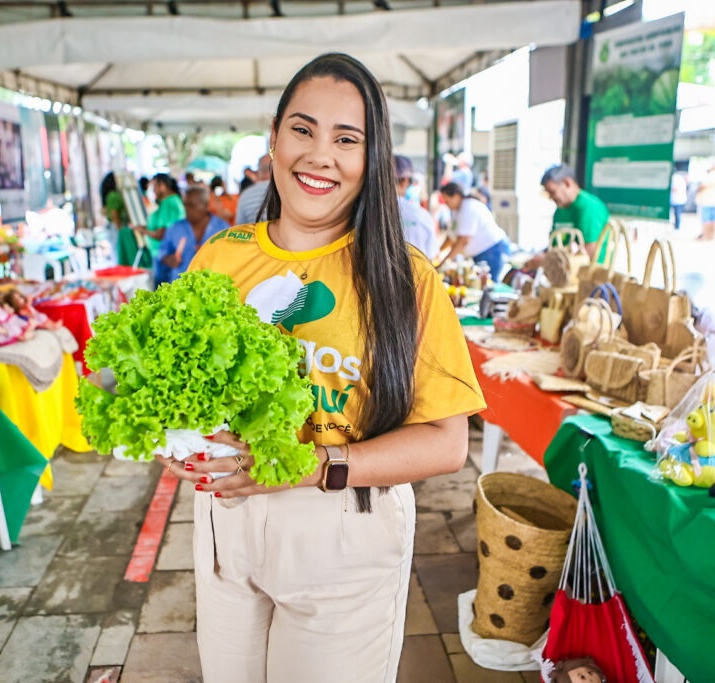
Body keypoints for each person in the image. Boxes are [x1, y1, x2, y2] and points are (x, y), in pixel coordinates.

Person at [167, 52, 485, 683]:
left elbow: (448, 444)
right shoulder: (219, 256)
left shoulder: (405, 279)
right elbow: (182, 387)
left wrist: (310, 467)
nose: (320, 155)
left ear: (371, 159)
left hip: (341, 520)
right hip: (226, 523)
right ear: (275, 139)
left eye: (346, 139)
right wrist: (175, 436)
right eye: (302, 130)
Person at [155, 185, 228, 285]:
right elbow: (161, 252)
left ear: (206, 205)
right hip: (179, 287)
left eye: (191, 205)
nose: (186, 209)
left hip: (212, 285)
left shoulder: (222, 228)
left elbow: (230, 257)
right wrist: (168, 259)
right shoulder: (175, 228)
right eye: (185, 204)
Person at [439, 182, 512, 281]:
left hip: (492, 251)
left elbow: (464, 240)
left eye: (447, 202)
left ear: (456, 196)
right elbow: (452, 237)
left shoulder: (468, 207)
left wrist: (445, 262)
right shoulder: (457, 210)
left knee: (488, 286)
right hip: (483, 253)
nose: (447, 205)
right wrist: (438, 253)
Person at [540, 164, 610, 263]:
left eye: (553, 192)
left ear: (567, 183)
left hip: (589, 275)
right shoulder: (560, 210)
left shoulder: (588, 207)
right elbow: (554, 246)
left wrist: (546, 260)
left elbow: (590, 251)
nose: (551, 198)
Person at [131, 173, 185, 262]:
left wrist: (142, 230)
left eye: (154, 187)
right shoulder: (169, 202)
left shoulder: (169, 203)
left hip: (166, 255)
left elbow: (161, 234)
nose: (153, 191)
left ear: (162, 186)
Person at [393, 155, 438, 259]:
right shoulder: (421, 215)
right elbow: (431, 253)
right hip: (416, 273)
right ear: (404, 181)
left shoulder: (363, 214)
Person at [234, 152, 272, 225]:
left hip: (255, 235)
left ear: (258, 172)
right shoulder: (284, 191)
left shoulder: (245, 195)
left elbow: (239, 227)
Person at [695, 161, 715, 241]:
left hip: (706, 200)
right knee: (712, 219)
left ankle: (705, 236)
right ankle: (711, 235)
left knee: (706, 219)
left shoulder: (712, 175)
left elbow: (703, 185)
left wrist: (697, 189)